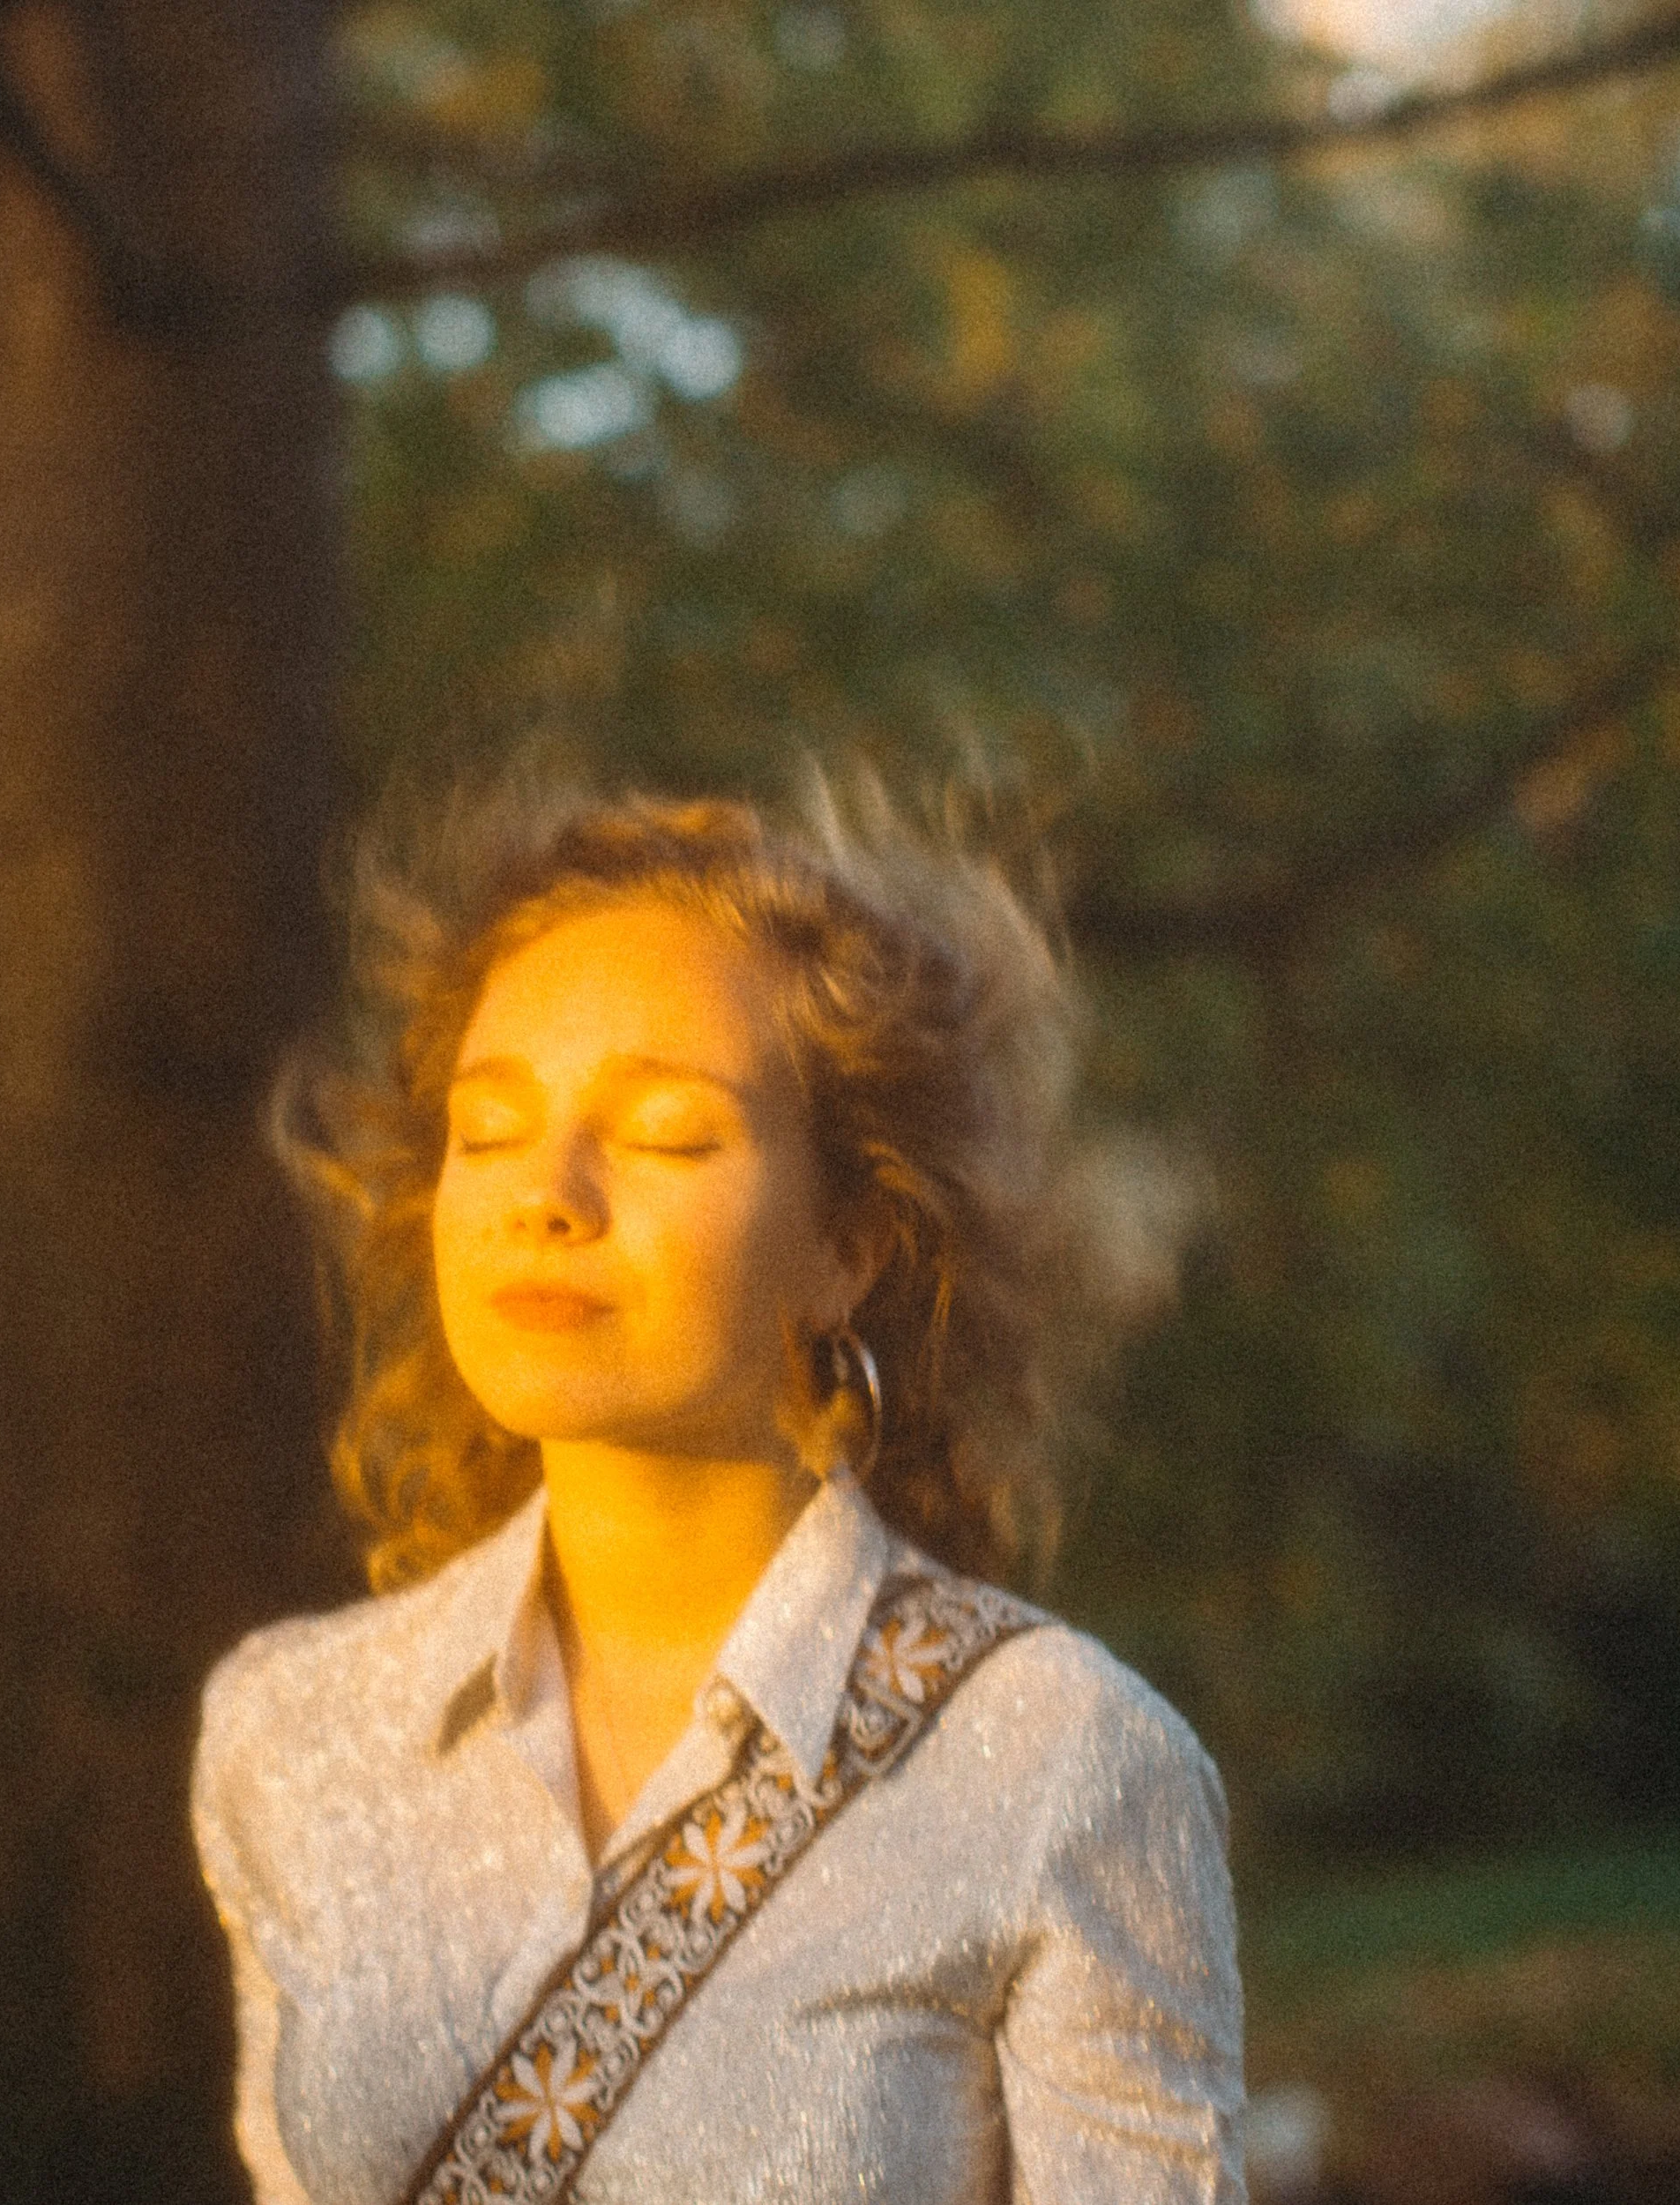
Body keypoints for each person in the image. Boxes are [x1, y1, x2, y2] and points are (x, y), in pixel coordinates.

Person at [192, 779, 1244, 2203]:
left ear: (848, 1248)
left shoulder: (1064, 1762)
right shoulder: (292, 1733)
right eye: (487, 1131)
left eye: (667, 1135)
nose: (546, 1195)